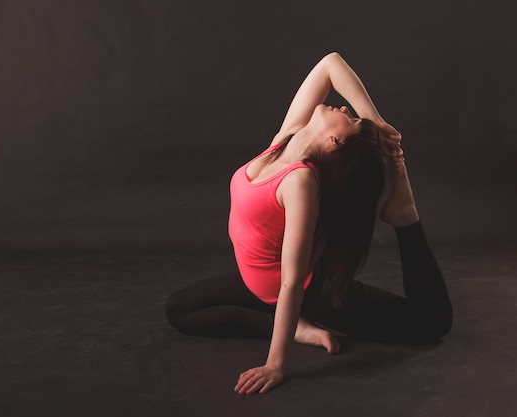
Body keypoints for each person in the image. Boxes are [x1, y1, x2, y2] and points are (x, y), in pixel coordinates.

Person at [164, 52, 453, 395]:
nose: (346, 109)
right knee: (180, 310)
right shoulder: (284, 141)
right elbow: (330, 64)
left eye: (353, 121)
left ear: (336, 142)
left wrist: (276, 364)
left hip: (311, 292)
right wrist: (375, 121)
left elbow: (293, 280)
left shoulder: (299, 182)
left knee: (431, 322)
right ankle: (296, 328)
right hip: (260, 284)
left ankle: (404, 215)